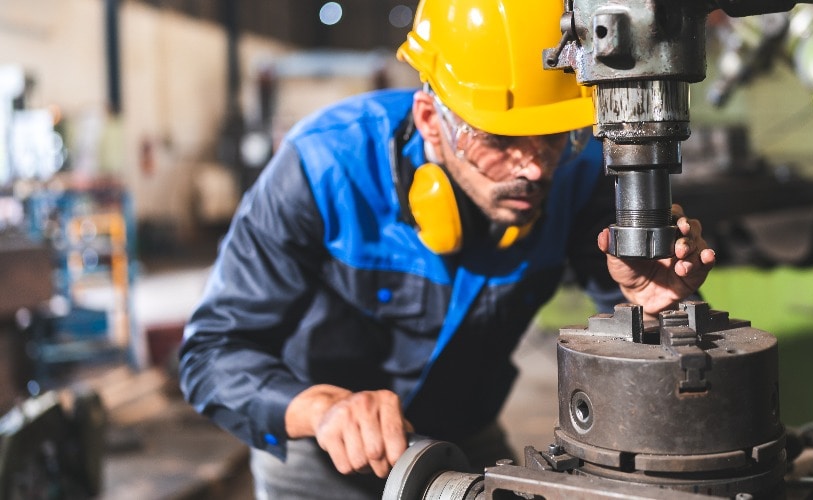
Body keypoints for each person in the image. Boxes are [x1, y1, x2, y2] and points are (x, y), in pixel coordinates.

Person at [177, 0, 716, 498]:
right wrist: (323, 409)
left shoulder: (573, 173)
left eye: (553, 136)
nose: (534, 168)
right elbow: (212, 354)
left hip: (462, 439)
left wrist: (649, 302)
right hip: (320, 458)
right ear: (433, 121)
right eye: (501, 141)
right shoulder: (322, 168)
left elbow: (627, 314)